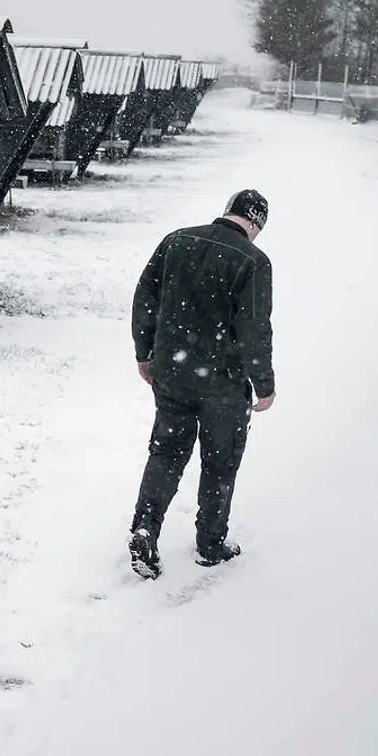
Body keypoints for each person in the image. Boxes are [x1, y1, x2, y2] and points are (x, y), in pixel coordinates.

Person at [126, 189, 275, 579]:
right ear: (256, 224)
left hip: (172, 373)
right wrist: (264, 383)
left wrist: (145, 353)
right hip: (222, 383)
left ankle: (145, 526)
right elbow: (254, 329)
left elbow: (145, 298)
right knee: (220, 461)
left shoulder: (177, 240)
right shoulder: (254, 261)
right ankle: (210, 544)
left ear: (227, 211)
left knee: (167, 451)